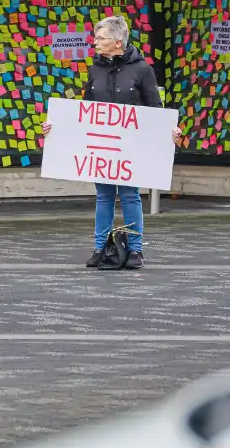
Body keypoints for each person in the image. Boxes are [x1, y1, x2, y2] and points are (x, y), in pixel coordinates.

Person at [41, 16, 182, 270]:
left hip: (131, 147)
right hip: (102, 146)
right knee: (104, 196)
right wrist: (56, 128)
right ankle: (100, 247)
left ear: (117, 42)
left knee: (130, 196)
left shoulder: (142, 70)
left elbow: (155, 110)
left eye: (101, 38)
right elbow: (85, 111)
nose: (95, 42)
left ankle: (136, 250)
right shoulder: (95, 69)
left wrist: (169, 132)